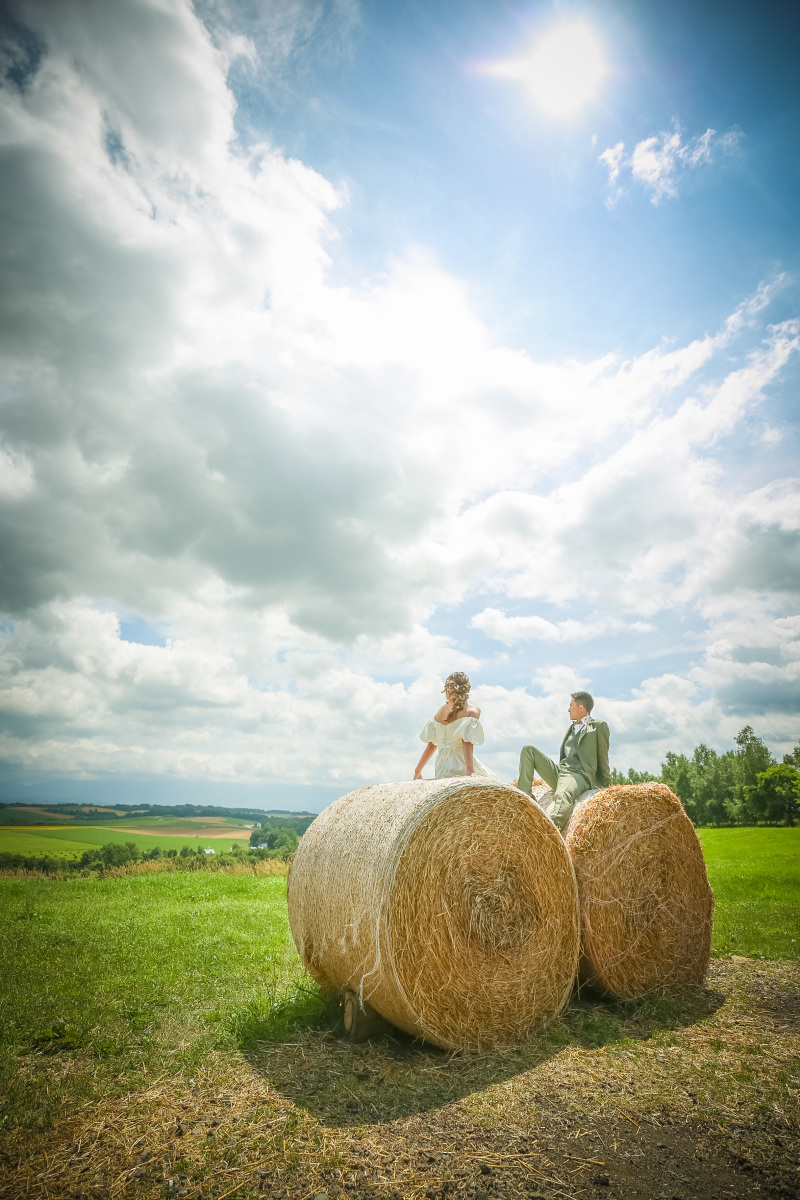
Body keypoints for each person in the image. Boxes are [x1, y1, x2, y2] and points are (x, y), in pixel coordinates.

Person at [517, 691, 610, 831]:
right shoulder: (571, 727)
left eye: (571, 705)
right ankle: (525, 798)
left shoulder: (598, 726)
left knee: (562, 794)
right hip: (561, 771)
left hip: (579, 774)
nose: (568, 710)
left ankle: (550, 831)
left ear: (581, 708)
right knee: (528, 750)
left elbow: (603, 756)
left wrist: (607, 786)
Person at [413, 672, 496, 779]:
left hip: (442, 766)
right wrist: (470, 770)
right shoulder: (472, 711)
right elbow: (466, 740)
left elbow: (432, 744)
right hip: (461, 763)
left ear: (447, 690)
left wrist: (418, 770)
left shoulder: (440, 711)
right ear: (467, 690)